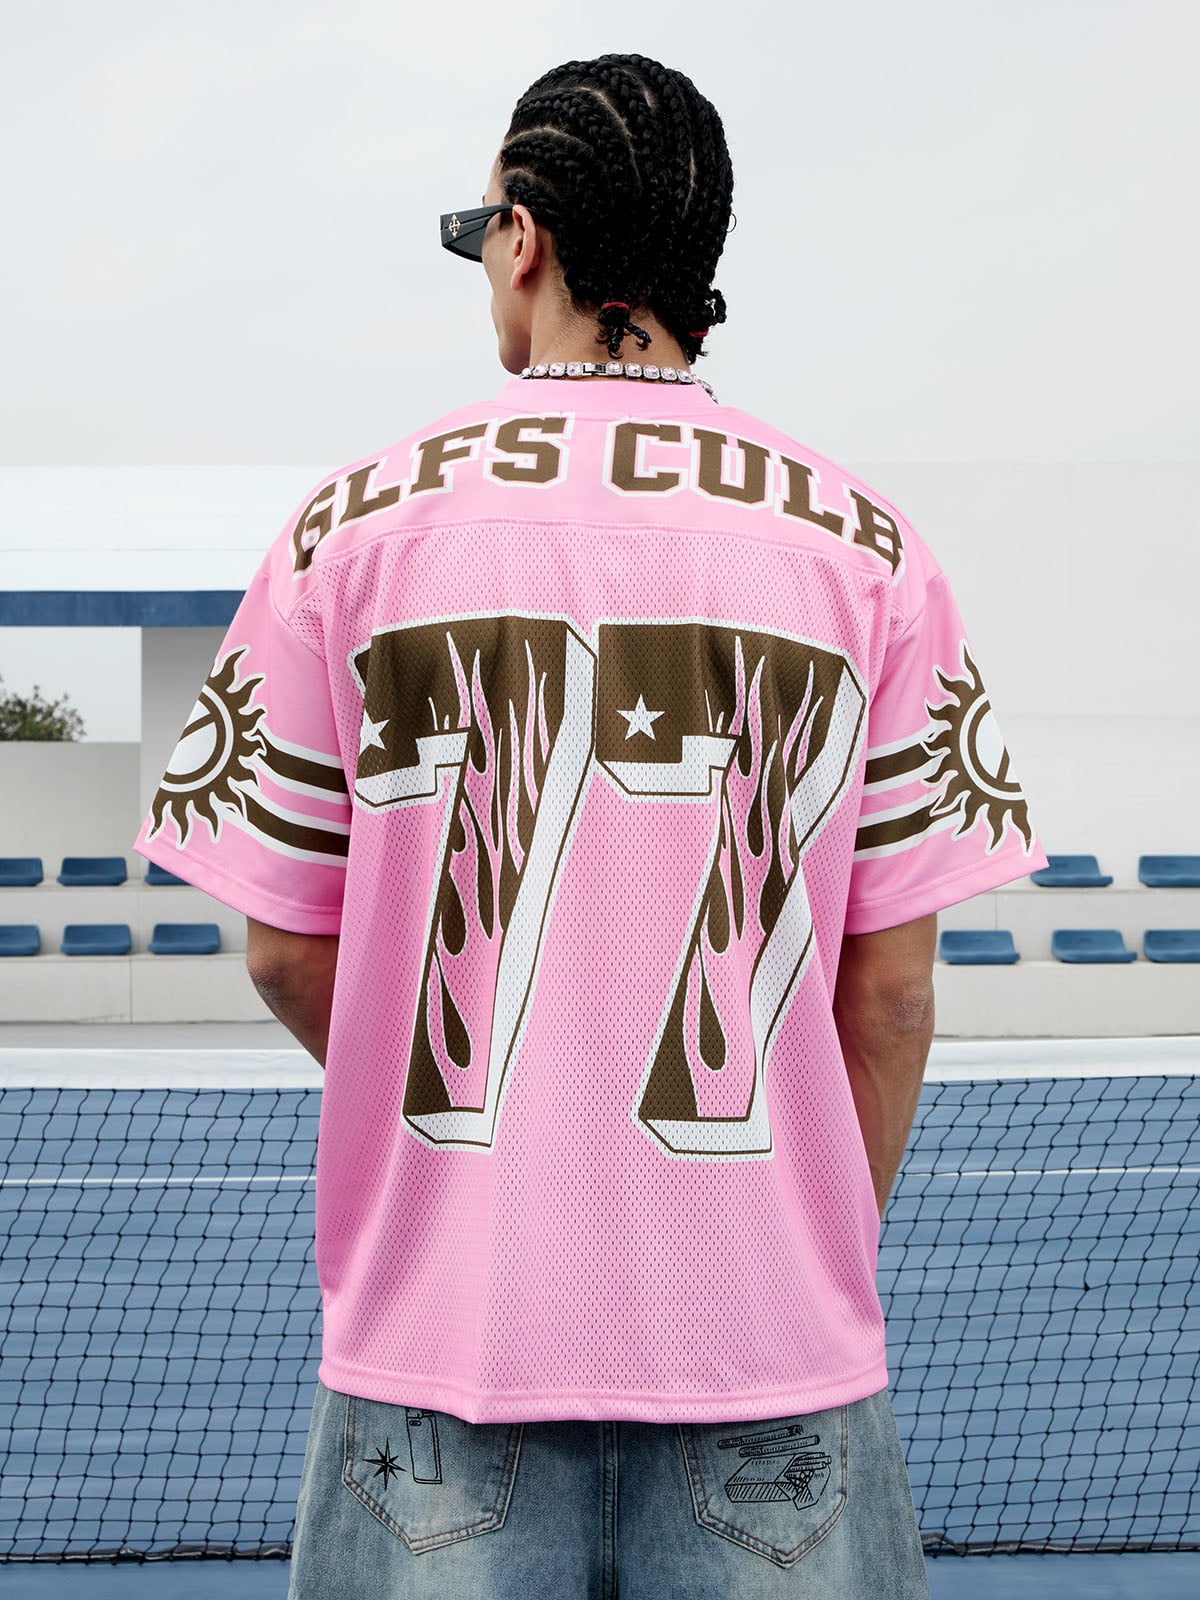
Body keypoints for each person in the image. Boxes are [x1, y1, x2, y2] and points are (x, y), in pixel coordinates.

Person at [135, 52, 1048, 1600]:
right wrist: (797, 1222)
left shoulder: (349, 529)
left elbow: (287, 951)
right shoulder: (870, 548)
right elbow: (890, 998)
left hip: (449, 1341)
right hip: (763, 1341)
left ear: (523, 236)